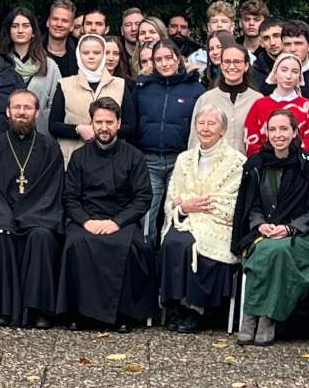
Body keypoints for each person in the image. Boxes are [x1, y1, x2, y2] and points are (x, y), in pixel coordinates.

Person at [228, 107, 309, 345]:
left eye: (284, 129)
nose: (278, 134)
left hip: (305, 236)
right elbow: (251, 205)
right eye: (272, 129)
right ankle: (253, 318)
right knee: (263, 249)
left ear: (294, 132)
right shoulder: (257, 164)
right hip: (267, 233)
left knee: (275, 251)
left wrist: (289, 228)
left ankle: (265, 317)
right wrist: (260, 225)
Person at [56, 99, 151, 330]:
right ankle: (79, 314)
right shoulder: (79, 157)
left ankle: (124, 316)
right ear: (92, 123)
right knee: (75, 244)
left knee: (129, 248)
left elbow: (143, 197)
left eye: (109, 122)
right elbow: (69, 197)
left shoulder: (134, 156)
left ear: (119, 123)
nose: (104, 127)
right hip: (86, 219)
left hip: (122, 219)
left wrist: (116, 222)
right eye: (99, 122)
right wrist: (86, 222)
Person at [0, 89, 63, 327]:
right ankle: (0, 311)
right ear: (7, 111)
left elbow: (50, 190)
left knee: (42, 237)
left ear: (36, 113)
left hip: (38, 218)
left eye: (27, 108)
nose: (21, 113)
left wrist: (27, 218)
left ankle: (39, 311)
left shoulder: (50, 148)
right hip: (1, 218)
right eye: (17, 107)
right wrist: (5, 219)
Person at [156, 105, 245, 331]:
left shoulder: (236, 162)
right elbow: (173, 198)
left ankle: (199, 309)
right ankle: (178, 306)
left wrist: (196, 203)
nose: (205, 129)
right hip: (184, 218)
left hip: (217, 223)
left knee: (194, 244)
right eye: (201, 123)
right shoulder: (184, 159)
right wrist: (185, 206)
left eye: (212, 124)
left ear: (223, 129)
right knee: (173, 240)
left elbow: (230, 201)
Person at [124, 39, 203, 240]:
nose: (164, 63)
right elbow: (132, 125)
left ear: (178, 59)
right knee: (147, 216)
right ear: (152, 63)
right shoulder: (143, 88)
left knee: (175, 215)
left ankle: (168, 263)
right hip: (149, 161)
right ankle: (146, 263)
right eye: (158, 59)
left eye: (169, 58)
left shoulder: (195, 89)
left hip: (180, 161)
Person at [52, 33, 122, 163]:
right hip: (72, 159)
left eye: (96, 52)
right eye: (86, 52)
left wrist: (102, 130)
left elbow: (130, 127)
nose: (91, 57)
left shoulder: (119, 85)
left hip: (112, 160)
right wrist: (78, 129)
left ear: (103, 55)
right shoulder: (65, 84)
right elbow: (53, 125)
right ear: (78, 55)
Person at [245, 53, 309, 157]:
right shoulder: (259, 105)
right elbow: (251, 139)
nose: (289, 76)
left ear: (299, 76)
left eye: (295, 71)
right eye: (284, 70)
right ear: (275, 73)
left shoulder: (308, 107)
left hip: (300, 167)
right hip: (265, 167)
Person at [193, 44, 261, 152]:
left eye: (237, 62)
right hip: (213, 166)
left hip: (248, 165)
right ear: (221, 65)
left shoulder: (257, 100)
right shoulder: (206, 99)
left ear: (246, 65)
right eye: (227, 62)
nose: (232, 66)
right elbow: (195, 140)